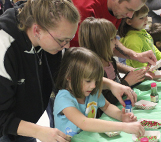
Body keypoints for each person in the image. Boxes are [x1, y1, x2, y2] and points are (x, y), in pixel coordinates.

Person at [0, 0, 139, 141]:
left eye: (70, 39)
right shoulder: (4, 46)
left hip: (24, 125)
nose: (66, 47)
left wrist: (110, 84)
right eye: (62, 40)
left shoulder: (51, 41)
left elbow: (78, 78)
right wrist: (38, 131)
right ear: (37, 30)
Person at [53, 47, 145, 138]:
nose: (93, 86)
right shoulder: (63, 98)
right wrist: (124, 127)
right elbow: (83, 123)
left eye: (96, 81)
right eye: (88, 81)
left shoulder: (92, 92)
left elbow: (107, 106)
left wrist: (121, 116)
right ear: (70, 77)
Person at [79, 17, 146, 116]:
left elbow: (118, 83)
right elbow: (105, 101)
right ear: (99, 43)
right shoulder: (92, 70)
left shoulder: (110, 60)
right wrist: (127, 82)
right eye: (111, 39)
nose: (116, 42)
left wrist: (138, 75)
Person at [71, 0, 158, 66]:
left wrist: (136, 56)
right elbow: (95, 51)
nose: (130, 15)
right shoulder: (86, 7)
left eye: (134, 11)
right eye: (128, 9)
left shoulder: (118, 11)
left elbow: (109, 41)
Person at [118, 5, 161, 73]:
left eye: (146, 16)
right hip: (141, 77)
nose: (146, 19)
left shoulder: (143, 32)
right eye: (141, 18)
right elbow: (138, 64)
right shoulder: (132, 40)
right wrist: (153, 73)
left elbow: (153, 50)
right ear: (129, 21)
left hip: (149, 72)